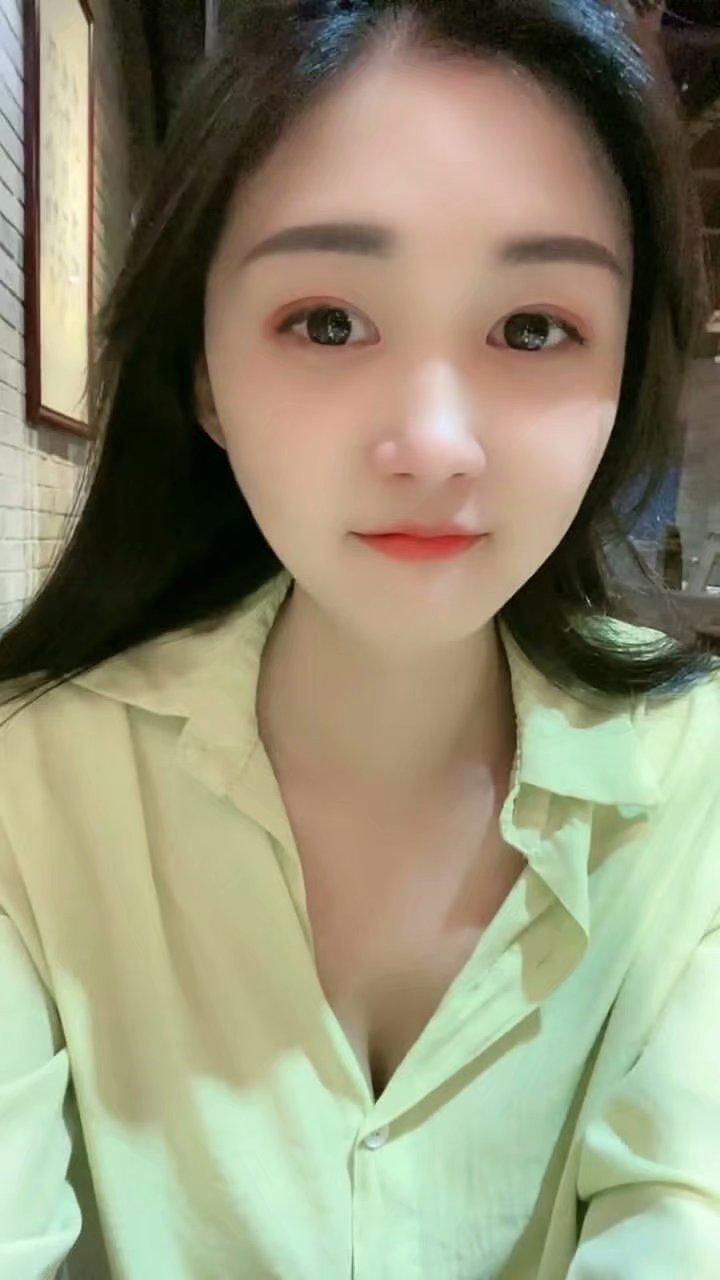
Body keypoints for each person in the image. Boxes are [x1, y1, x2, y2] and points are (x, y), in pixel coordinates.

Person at [0, 1, 719, 1276]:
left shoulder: (699, 780)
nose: (434, 444)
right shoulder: (30, 787)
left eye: (534, 327)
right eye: (329, 321)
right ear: (205, 374)